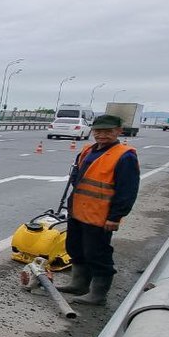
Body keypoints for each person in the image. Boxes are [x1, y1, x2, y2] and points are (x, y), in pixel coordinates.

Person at [57, 113, 140, 306]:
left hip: (100, 216)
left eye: (108, 131)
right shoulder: (88, 150)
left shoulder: (124, 156)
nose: (102, 135)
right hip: (78, 211)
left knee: (97, 253)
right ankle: (79, 284)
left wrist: (116, 216)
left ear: (119, 131)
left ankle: (98, 294)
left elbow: (127, 190)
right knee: (75, 248)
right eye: (98, 131)